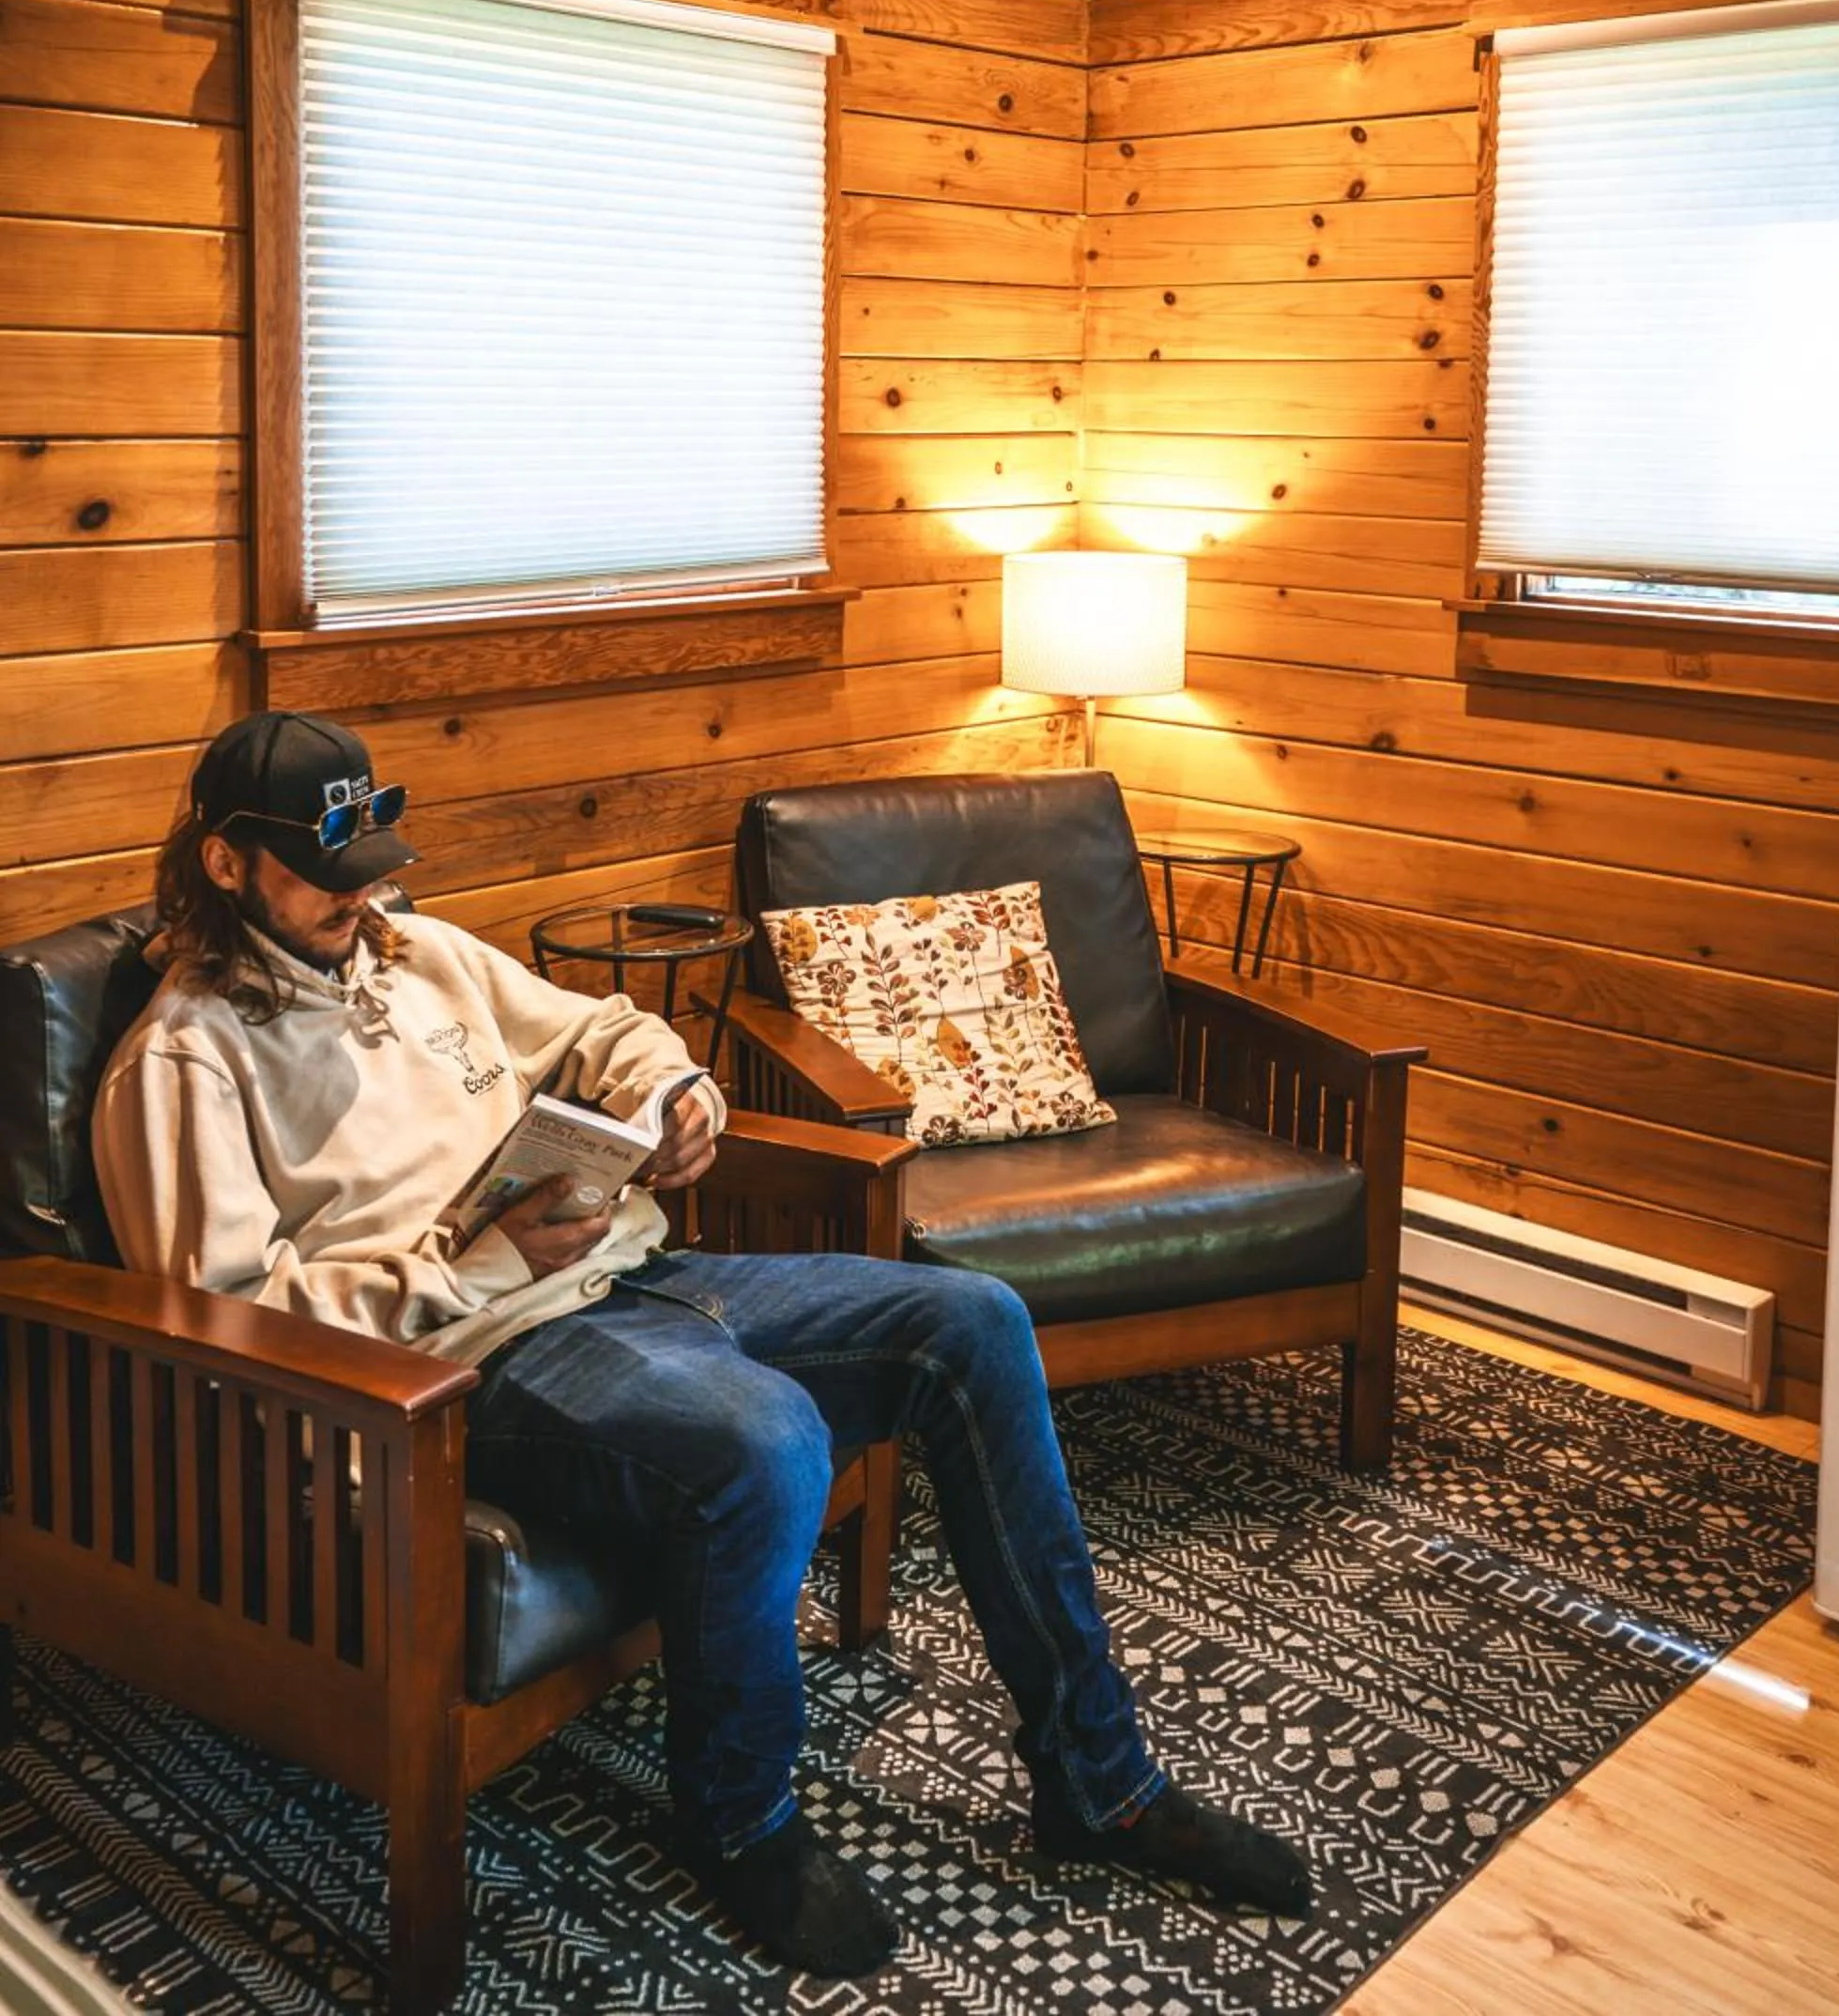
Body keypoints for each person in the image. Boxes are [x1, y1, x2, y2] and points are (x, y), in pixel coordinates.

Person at [93, 711, 1314, 1978]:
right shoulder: (185, 1061)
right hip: (481, 1364)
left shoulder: (425, 961)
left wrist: (678, 1095)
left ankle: (1097, 1782)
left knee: (973, 1320)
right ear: (227, 863)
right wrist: (476, 1266)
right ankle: (742, 1817)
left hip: (641, 1272)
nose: (367, 892)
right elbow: (224, 1324)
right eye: (329, 872)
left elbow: (603, 1029)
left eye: (371, 863)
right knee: (764, 1438)